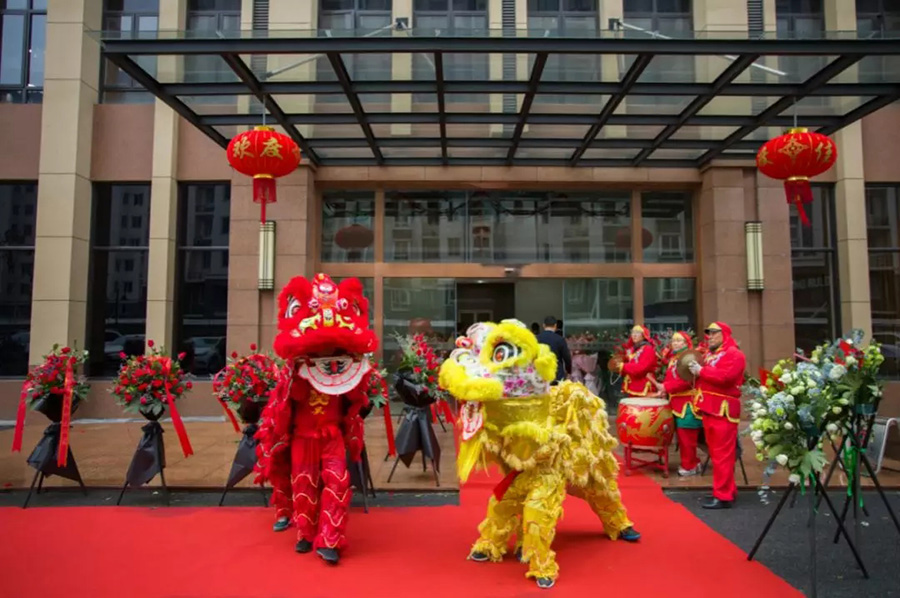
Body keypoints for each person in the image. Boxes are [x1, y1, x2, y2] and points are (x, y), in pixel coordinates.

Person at [688, 322, 745, 509]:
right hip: (710, 408)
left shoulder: (734, 354)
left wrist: (701, 371)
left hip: (723, 410)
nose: (709, 337)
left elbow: (725, 377)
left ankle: (723, 495)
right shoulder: (710, 355)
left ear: (725, 334)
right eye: (708, 334)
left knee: (722, 455)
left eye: (714, 333)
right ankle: (727, 490)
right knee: (717, 454)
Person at [653, 332, 702, 476]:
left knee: (687, 437)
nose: (675, 343)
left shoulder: (690, 358)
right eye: (673, 340)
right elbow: (671, 379)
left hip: (688, 404)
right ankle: (692, 462)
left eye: (679, 341)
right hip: (676, 401)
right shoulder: (674, 358)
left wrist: (666, 387)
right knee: (681, 437)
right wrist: (665, 390)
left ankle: (690, 465)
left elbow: (687, 381)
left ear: (686, 343)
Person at [616, 325, 659, 397]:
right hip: (632, 385)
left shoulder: (648, 349)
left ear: (643, 335)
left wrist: (623, 366)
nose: (634, 335)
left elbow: (641, 368)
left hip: (643, 386)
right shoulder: (633, 350)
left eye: (637, 333)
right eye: (633, 332)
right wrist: (618, 367)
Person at [536, 316, 571, 384]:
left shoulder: (536, 338)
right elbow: (567, 357)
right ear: (555, 326)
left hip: (541, 373)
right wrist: (568, 371)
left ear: (543, 325)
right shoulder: (560, 339)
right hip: (557, 373)